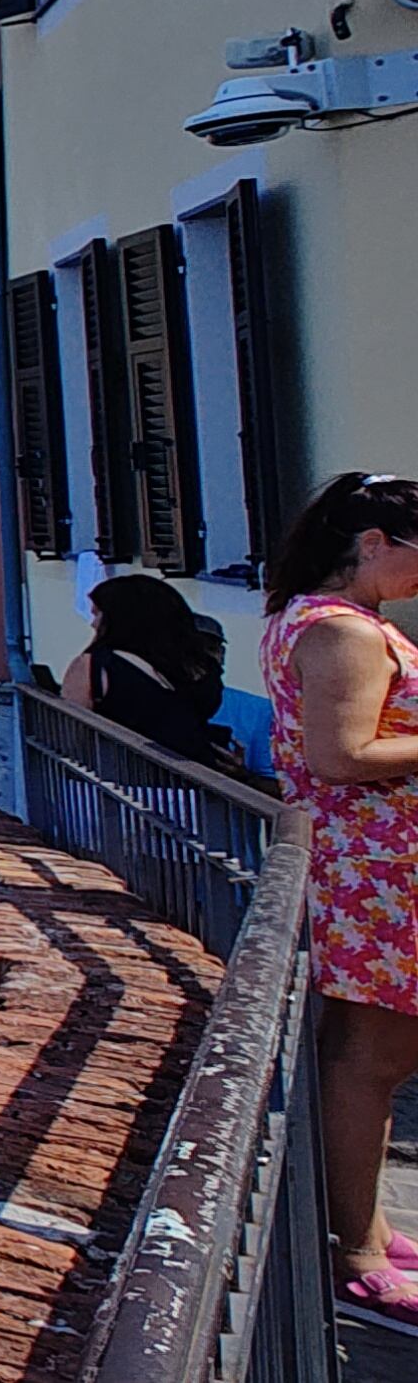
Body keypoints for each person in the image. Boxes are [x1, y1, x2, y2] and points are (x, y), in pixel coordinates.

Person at [257, 475, 418, 1327]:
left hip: (363, 864)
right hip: (378, 870)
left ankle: (367, 1226)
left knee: (362, 1054)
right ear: (372, 545)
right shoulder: (346, 634)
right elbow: (343, 753)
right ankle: (355, 1250)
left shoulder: (311, 622)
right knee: (373, 1060)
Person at [68, 571, 238, 765]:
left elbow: (70, 737)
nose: (93, 623)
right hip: (194, 779)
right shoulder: (198, 668)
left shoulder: (93, 667)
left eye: (98, 613)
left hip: (123, 782)